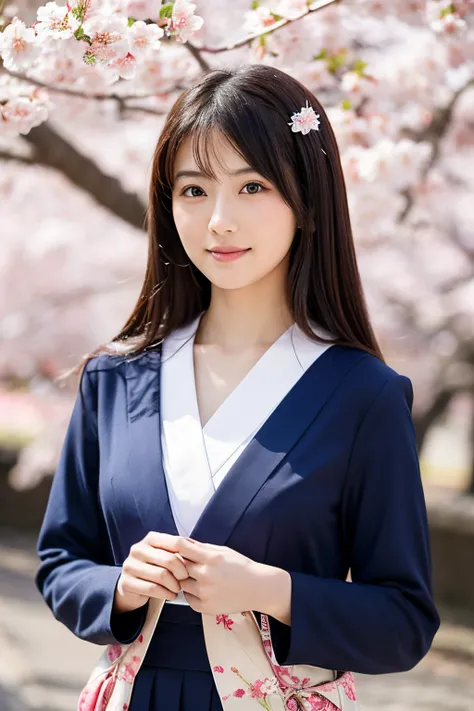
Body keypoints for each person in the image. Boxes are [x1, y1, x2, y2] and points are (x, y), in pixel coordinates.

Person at [35, 64, 440, 711]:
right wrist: (122, 585)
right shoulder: (117, 378)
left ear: (307, 201)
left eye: (252, 185)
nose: (219, 219)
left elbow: (404, 621)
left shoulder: (363, 394)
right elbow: (60, 562)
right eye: (193, 190)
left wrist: (272, 588)